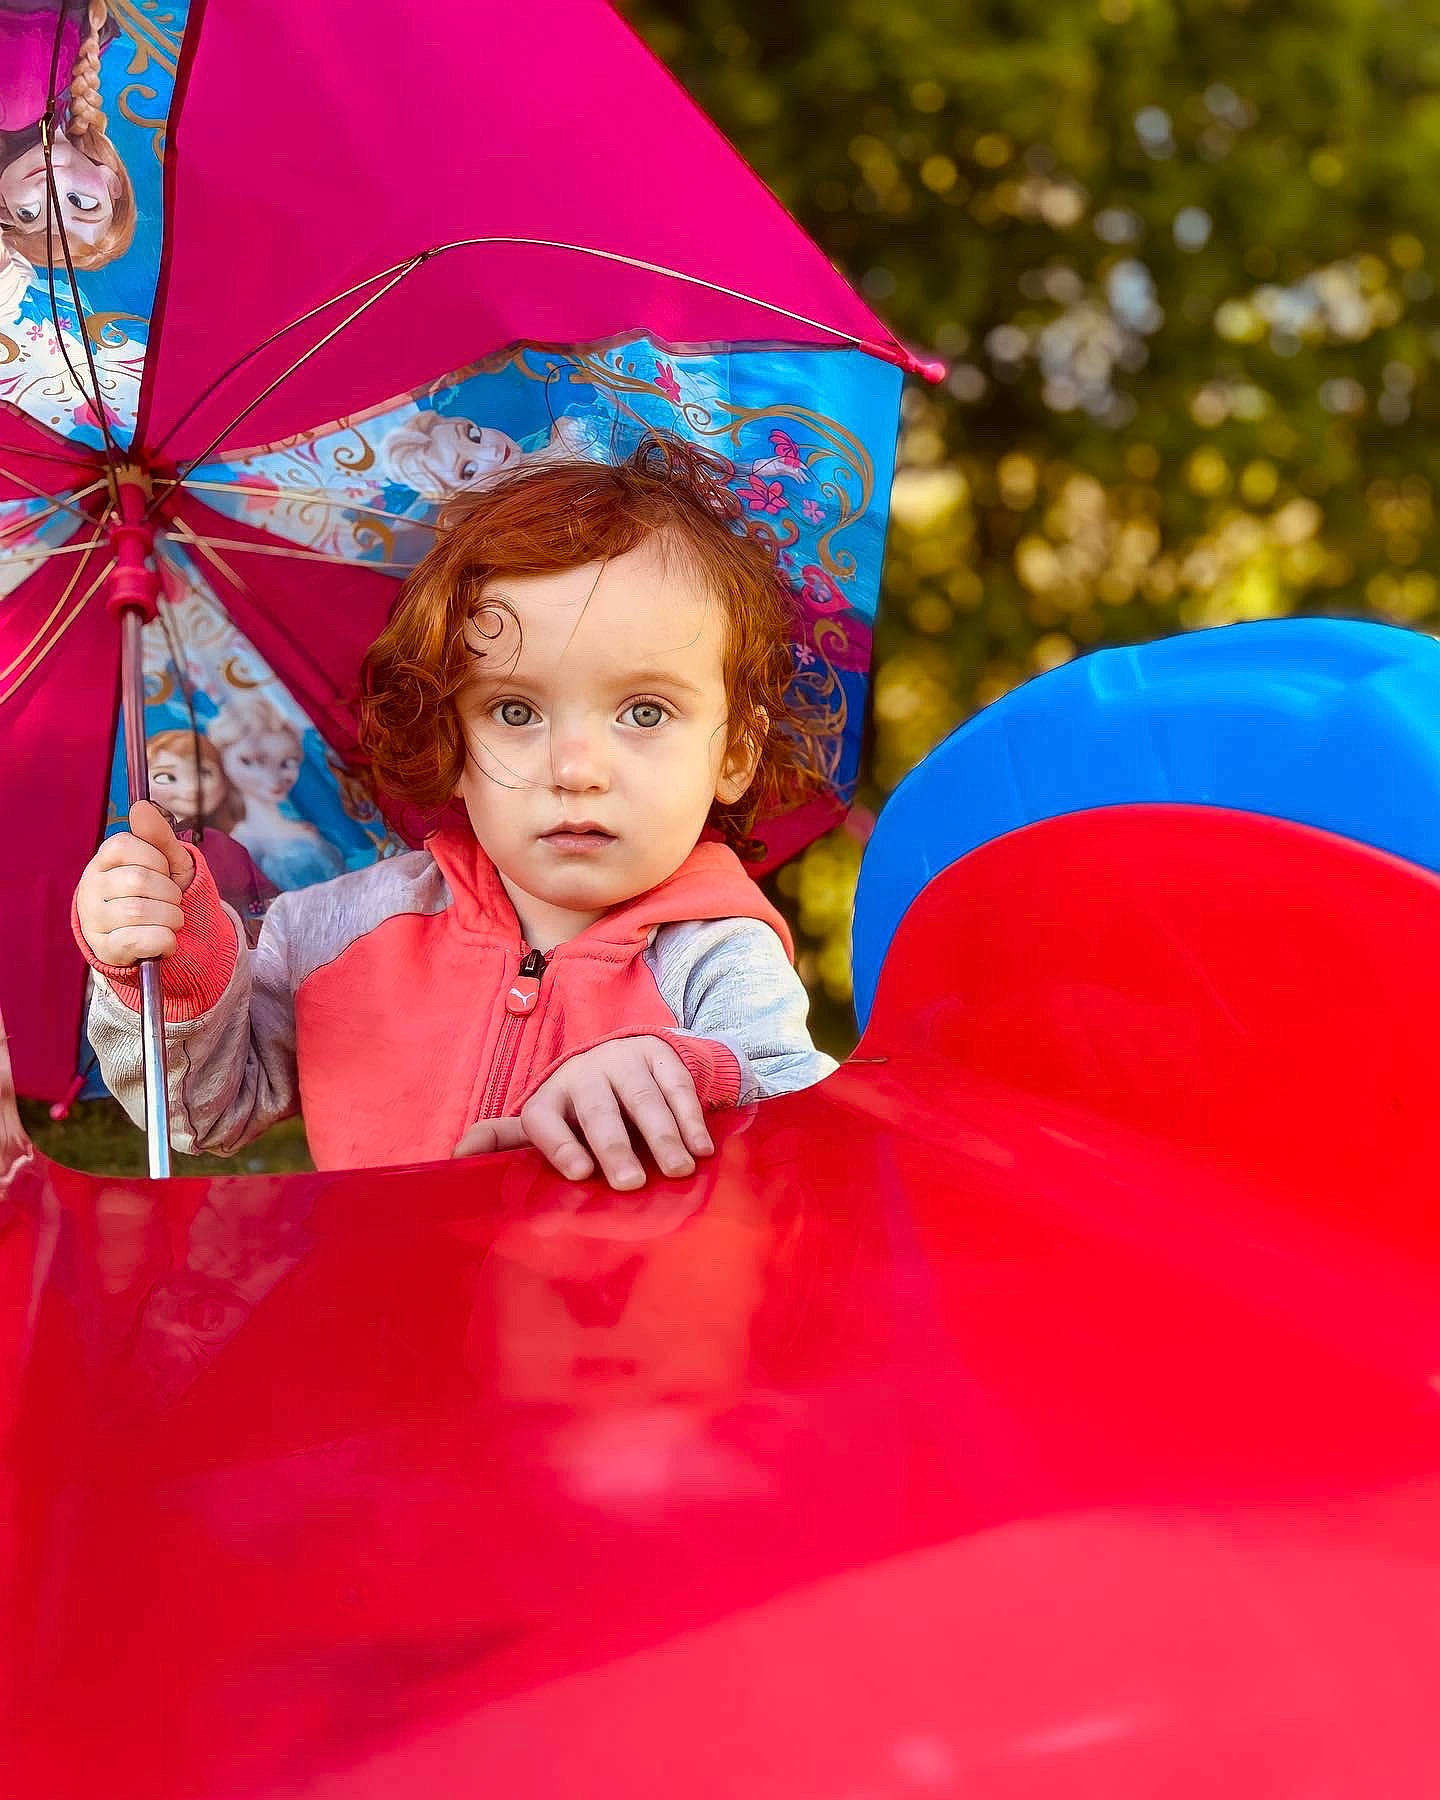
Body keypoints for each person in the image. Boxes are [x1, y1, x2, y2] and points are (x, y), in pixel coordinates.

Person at [71, 439, 838, 1185]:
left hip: (607, 1314)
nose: (574, 770)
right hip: (383, 1309)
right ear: (452, 741)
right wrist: (174, 973)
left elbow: (805, 1126)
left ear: (733, 751)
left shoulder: (714, 954)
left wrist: (681, 1072)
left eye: (643, 712)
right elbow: (202, 1116)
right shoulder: (335, 933)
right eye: (513, 711)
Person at [0, 1, 136, 272]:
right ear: (110, 182)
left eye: (30, 214)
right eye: (80, 202)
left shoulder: (46, 106)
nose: (49, 193)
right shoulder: (21, 101)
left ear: (7, 210)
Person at [144, 729, 278, 944]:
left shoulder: (224, 844)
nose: (190, 789)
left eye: (204, 774)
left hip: (237, 947)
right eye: (166, 777)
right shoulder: (143, 852)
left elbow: (258, 903)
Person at [205, 694, 346, 890]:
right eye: (251, 762)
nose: (273, 778)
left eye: (287, 763)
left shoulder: (309, 827)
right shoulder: (239, 843)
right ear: (223, 760)